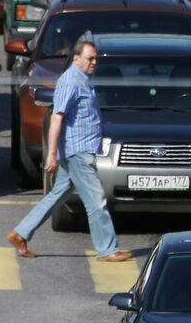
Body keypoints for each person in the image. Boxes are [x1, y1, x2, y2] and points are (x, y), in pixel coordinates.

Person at [7, 39, 133, 262]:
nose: (94, 62)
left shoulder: (82, 80)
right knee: (96, 201)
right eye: (90, 58)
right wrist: (52, 154)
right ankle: (108, 249)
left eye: (96, 59)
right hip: (78, 152)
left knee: (56, 196)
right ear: (76, 58)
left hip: (80, 149)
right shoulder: (71, 81)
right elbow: (57, 117)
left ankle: (21, 233)